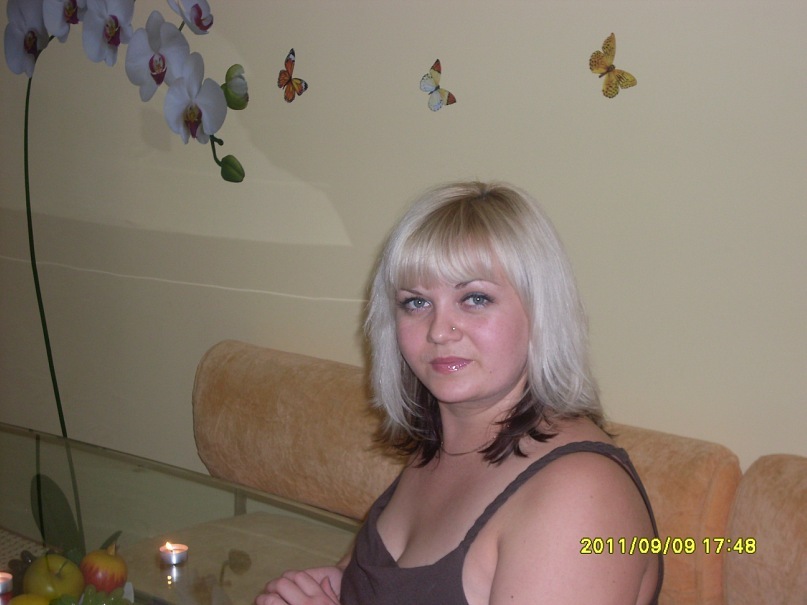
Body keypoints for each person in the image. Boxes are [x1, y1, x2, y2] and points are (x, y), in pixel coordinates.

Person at [256, 181, 663, 605]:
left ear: (540, 310)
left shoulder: (579, 498)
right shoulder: (446, 442)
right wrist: (333, 585)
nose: (438, 330)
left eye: (475, 298)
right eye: (416, 303)